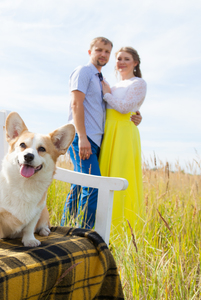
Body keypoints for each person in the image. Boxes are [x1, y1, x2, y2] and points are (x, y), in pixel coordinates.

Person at [61, 37, 141, 229]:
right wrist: (82, 137)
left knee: (79, 185)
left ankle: (65, 226)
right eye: (99, 50)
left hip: (97, 141)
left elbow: (113, 107)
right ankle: (84, 233)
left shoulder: (102, 81)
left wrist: (136, 115)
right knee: (93, 185)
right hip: (83, 138)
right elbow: (76, 104)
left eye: (107, 52)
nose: (103, 54)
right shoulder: (84, 72)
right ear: (91, 52)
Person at [100, 47, 147, 234]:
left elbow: (125, 107)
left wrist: (106, 94)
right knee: (105, 174)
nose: (121, 62)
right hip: (109, 132)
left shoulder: (138, 83)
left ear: (135, 63)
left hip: (124, 134)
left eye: (126, 59)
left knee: (122, 173)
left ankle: (122, 228)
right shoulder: (112, 86)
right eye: (119, 58)